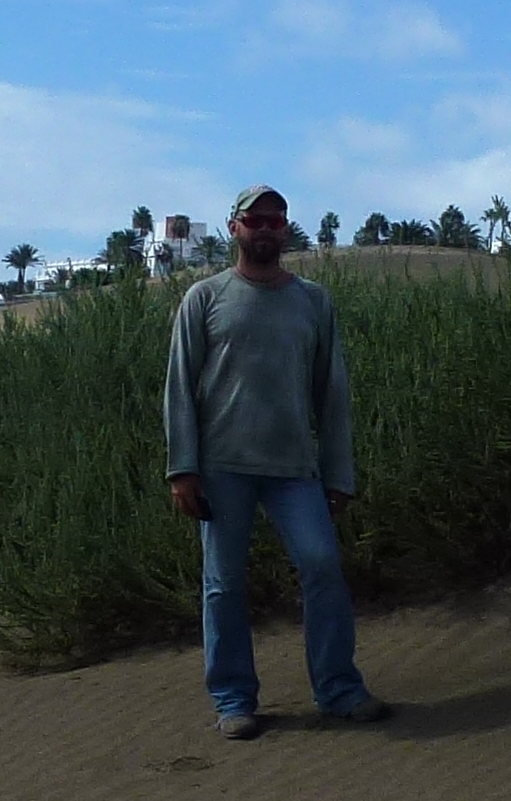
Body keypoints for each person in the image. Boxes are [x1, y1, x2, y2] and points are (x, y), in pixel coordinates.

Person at [162, 186, 385, 739]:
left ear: (285, 230)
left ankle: (338, 689)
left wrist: (339, 475)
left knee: (322, 566)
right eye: (254, 220)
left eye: (275, 221)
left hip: (294, 470)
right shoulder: (205, 298)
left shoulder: (313, 300)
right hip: (222, 466)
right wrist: (182, 468)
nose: (265, 229)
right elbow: (179, 389)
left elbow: (331, 395)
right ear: (234, 227)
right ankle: (233, 700)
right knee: (224, 584)